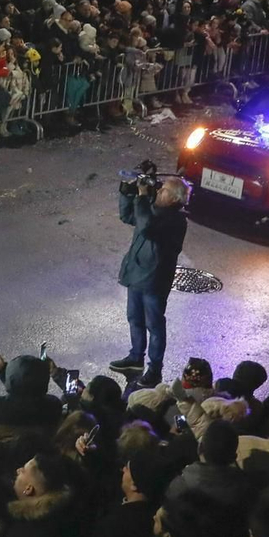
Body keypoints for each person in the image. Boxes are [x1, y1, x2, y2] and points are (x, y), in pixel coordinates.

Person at [111, 163, 188, 387]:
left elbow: (145, 227)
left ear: (174, 199)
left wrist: (143, 197)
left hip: (154, 280)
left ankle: (155, 370)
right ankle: (135, 357)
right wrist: (129, 188)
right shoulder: (154, 210)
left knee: (154, 325)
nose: (158, 191)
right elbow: (127, 216)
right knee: (134, 318)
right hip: (136, 274)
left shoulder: (174, 220)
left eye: (163, 190)